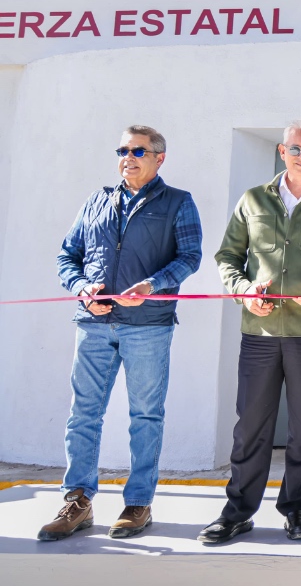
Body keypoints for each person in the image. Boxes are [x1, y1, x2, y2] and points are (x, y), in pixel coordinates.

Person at [199, 119, 301, 545]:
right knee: (250, 426)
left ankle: (296, 510)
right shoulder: (254, 199)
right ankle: (238, 512)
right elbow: (227, 257)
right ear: (282, 150)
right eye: (296, 148)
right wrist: (243, 292)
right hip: (259, 331)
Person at [39, 126, 202, 542]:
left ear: (159, 158)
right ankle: (77, 500)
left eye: (139, 151)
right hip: (92, 324)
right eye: (123, 150)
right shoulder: (97, 200)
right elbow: (67, 255)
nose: (128, 156)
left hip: (148, 326)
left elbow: (190, 257)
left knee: (145, 416)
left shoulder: (178, 202)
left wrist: (153, 285)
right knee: (83, 414)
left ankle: (138, 503)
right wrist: (81, 289)